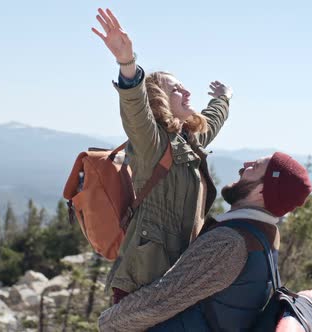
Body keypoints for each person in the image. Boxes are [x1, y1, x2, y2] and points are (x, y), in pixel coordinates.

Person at [92, 8, 233, 303]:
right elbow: (135, 109)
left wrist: (223, 98)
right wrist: (127, 63)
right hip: (141, 283)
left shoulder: (189, 140)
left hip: (176, 280)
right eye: (176, 89)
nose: (187, 92)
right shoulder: (151, 141)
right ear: (160, 99)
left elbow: (212, 119)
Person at [98, 152, 312, 331]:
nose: (244, 165)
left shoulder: (230, 242)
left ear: (261, 191)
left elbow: (161, 300)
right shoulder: (266, 236)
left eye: (254, 167)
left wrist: (107, 322)